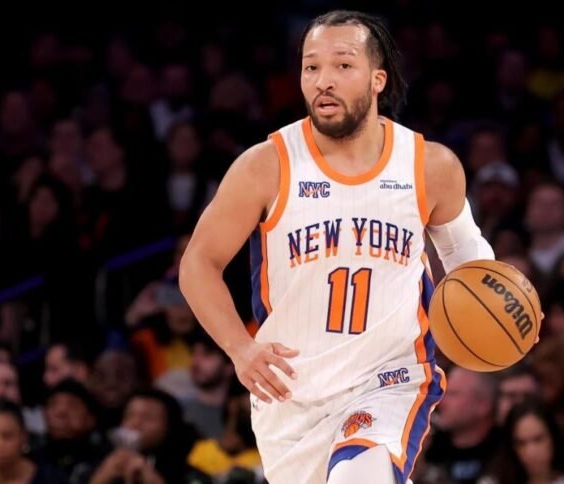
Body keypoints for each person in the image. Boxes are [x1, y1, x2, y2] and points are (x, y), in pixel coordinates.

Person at [179, 10, 499, 484]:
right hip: (291, 393)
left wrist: (502, 309)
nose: (323, 80)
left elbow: (468, 261)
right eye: (311, 67)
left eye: (343, 65)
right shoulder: (266, 166)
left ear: (377, 79)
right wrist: (240, 349)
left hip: (390, 378)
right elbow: (198, 265)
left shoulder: (430, 166)